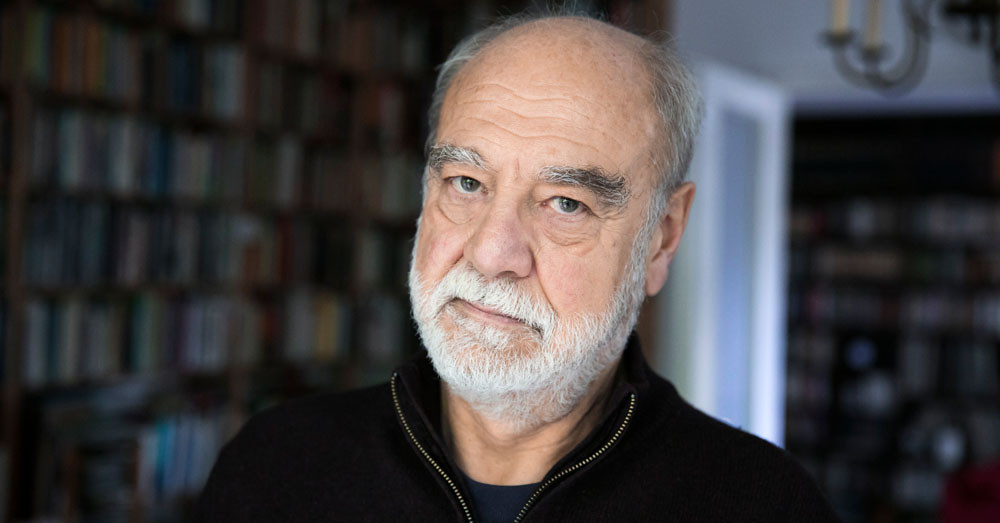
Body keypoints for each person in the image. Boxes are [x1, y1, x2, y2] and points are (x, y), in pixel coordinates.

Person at [195, 11, 839, 523]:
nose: (491, 254)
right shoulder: (274, 468)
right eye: (467, 183)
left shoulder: (764, 506)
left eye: (566, 203)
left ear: (661, 239)